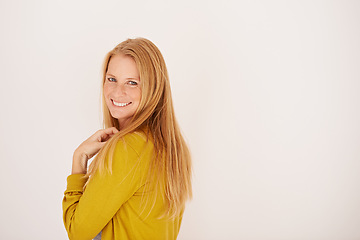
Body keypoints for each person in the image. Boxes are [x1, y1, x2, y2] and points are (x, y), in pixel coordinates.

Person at [62, 37, 192, 240]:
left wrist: (79, 158)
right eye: (111, 79)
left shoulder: (128, 148)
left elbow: (77, 232)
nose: (117, 91)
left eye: (132, 83)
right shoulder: (172, 146)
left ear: (153, 88)